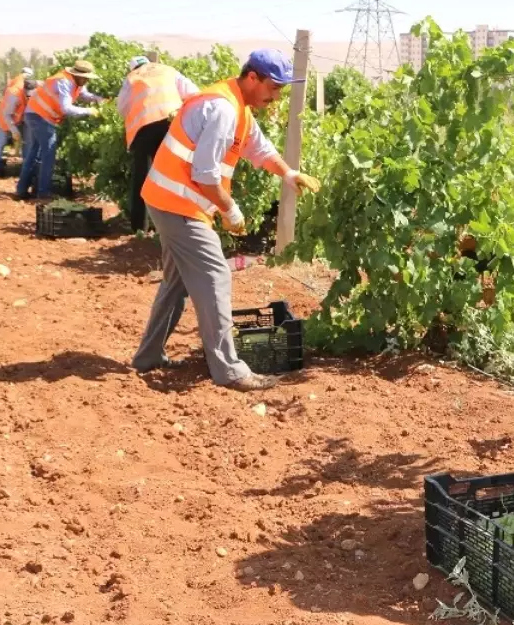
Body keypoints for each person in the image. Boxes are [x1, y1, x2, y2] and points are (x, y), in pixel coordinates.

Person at [132, 49, 322, 391]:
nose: (276, 96)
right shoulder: (222, 108)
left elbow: (259, 149)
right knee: (216, 274)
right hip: (177, 204)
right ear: (253, 78)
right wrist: (230, 210)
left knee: (176, 283)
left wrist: (289, 173)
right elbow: (205, 175)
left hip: (171, 200)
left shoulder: (239, 108)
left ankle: (147, 357)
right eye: (274, 88)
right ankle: (229, 370)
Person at [117, 55, 200, 232]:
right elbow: (194, 93)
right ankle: (174, 225)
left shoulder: (132, 78)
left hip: (143, 129)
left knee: (143, 177)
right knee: (172, 175)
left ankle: (140, 228)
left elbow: (121, 107)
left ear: (133, 68)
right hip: (171, 125)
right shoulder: (168, 70)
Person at [17, 60, 104, 200]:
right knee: (49, 155)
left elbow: (84, 95)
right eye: (86, 77)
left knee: (34, 153)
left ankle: (21, 190)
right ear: (77, 75)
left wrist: (99, 99)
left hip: (34, 114)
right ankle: (43, 193)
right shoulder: (65, 82)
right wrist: (89, 111)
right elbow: (66, 108)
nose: (87, 80)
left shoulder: (76, 82)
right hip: (40, 116)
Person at [0, 66, 34, 177]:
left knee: (27, 141)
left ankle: (27, 167)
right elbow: (6, 115)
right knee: (1, 142)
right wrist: (14, 131)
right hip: (6, 120)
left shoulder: (27, 85)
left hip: (17, 118)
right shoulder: (15, 93)